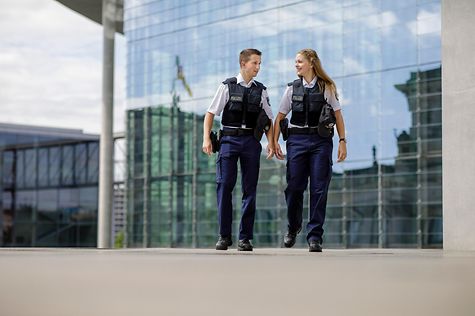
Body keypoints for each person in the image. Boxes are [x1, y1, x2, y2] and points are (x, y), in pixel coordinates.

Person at [273, 48, 347, 252]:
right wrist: (274, 142)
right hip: (296, 141)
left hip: (321, 141)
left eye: (299, 62)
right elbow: (279, 118)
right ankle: (293, 227)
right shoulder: (291, 89)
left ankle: (315, 236)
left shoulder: (327, 88)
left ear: (311, 63)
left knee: (318, 188)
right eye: (295, 62)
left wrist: (342, 141)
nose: (296, 65)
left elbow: (338, 116)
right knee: (294, 187)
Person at [202, 48, 274, 251]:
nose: (258, 67)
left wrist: (271, 142)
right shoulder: (227, 87)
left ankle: (245, 238)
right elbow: (210, 114)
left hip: (251, 142)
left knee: (249, 189)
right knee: (225, 186)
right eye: (255, 63)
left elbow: (269, 119)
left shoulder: (261, 90)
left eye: (260, 63)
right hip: (229, 141)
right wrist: (206, 138)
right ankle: (224, 236)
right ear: (243, 64)